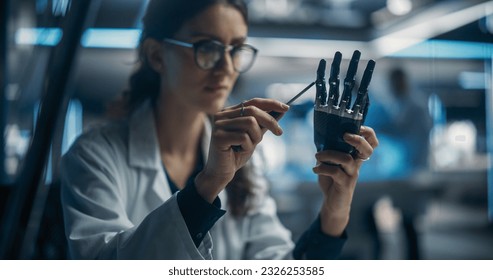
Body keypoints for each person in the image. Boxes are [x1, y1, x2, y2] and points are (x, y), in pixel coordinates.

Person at [60, 0, 378, 260]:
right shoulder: (95, 156)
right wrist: (208, 184)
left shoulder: (244, 157)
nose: (227, 68)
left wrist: (334, 211)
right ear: (157, 55)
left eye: (235, 49)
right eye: (207, 48)